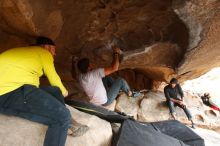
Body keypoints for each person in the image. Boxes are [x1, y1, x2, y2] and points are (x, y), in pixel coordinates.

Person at [0, 37, 87, 146]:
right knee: (62, 116)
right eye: (54, 50)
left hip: (9, 88)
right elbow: (53, 77)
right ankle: (66, 120)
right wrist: (65, 92)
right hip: (9, 92)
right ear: (46, 47)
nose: (54, 54)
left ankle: (70, 122)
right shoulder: (44, 53)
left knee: (54, 91)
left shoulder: (26, 52)